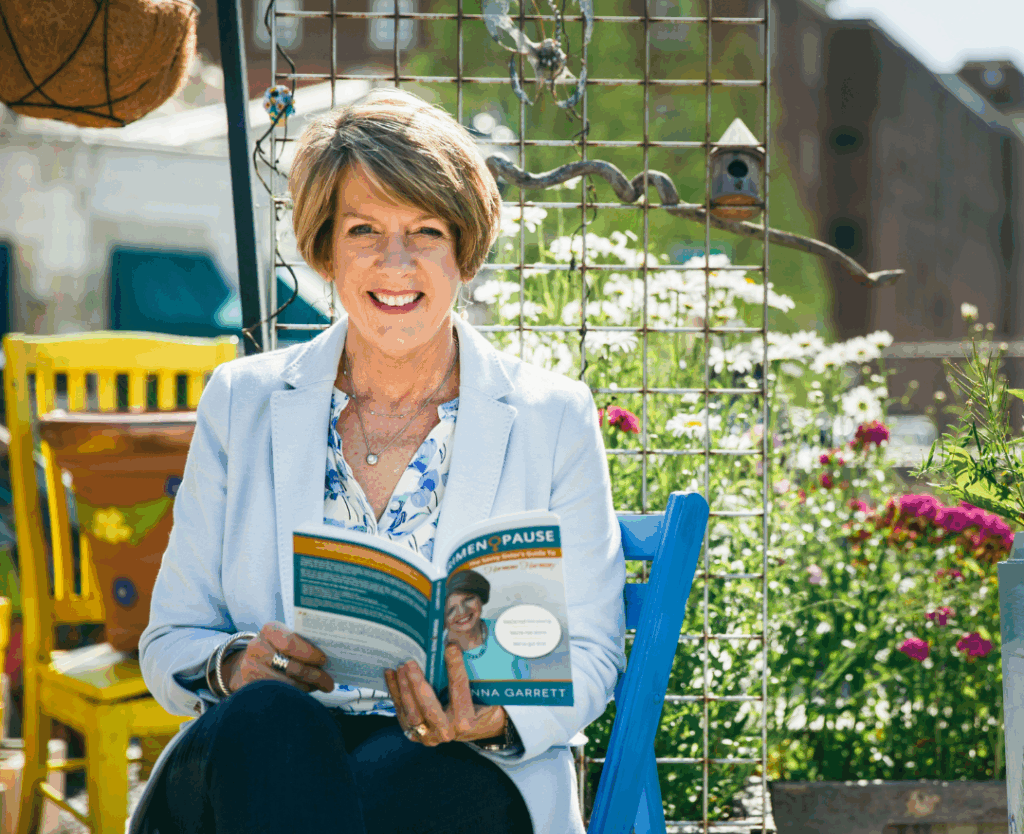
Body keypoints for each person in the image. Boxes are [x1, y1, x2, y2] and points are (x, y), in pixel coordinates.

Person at [129, 87, 625, 834]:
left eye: (425, 231)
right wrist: (238, 666)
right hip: (257, 755)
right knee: (271, 721)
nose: (396, 263)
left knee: (376, 788)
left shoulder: (552, 417)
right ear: (326, 249)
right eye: (365, 229)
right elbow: (172, 640)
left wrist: (490, 717)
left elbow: (589, 654)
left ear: (464, 249)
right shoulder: (243, 400)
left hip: (455, 767)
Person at [444, 570, 529, 680]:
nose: (462, 611)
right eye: (451, 610)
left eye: (468, 599)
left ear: (481, 597)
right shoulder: (436, 652)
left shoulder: (509, 630)